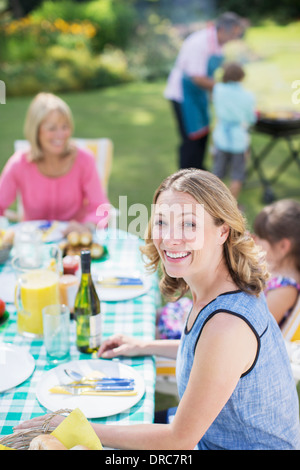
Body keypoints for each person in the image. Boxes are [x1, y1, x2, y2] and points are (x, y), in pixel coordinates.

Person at [15, 169, 300, 450]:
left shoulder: (227, 325)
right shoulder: (220, 284)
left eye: (189, 225)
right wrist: (145, 345)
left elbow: (179, 440)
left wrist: (70, 427)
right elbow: (211, 360)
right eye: (162, 222)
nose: (170, 238)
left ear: (222, 231)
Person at [0, 92, 110, 234]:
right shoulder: (19, 163)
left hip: (73, 245)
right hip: (33, 246)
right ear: (36, 131)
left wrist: (88, 227)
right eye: (52, 128)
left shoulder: (84, 160)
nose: (61, 134)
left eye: (65, 127)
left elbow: (101, 208)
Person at [164, 12, 247, 171]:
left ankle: (199, 172)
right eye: (233, 34)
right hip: (183, 96)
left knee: (203, 135)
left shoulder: (218, 43)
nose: (234, 38)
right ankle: (186, 178)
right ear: (222, 29)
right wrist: (226, 90)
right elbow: (197, 78)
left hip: (198, 95)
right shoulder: (199, 43)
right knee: (191, 139)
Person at [212, 62, 256, 201]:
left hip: (221, 137)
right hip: (238, 139)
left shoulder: (218, 89)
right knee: (237, 174)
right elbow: (251, 119)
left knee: (217, 173)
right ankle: (232, 207)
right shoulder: (248, 95)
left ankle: (213, 204)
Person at [253, 199, 300, 328]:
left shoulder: (285, 288)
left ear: (283, 246)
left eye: (261, 237)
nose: (256, 241)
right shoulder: (273, 265)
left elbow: (257, 327)